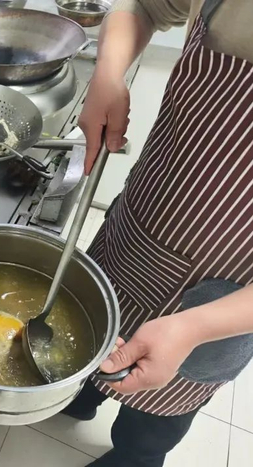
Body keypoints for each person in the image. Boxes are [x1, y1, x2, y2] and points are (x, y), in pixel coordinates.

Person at [64, 0, 253, 465]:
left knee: (150, 428)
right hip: (142, 224)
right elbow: (142, 7)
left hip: (218, 301)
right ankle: (79, 399)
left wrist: (194, 327)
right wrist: (108, 73)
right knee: (83, 336)